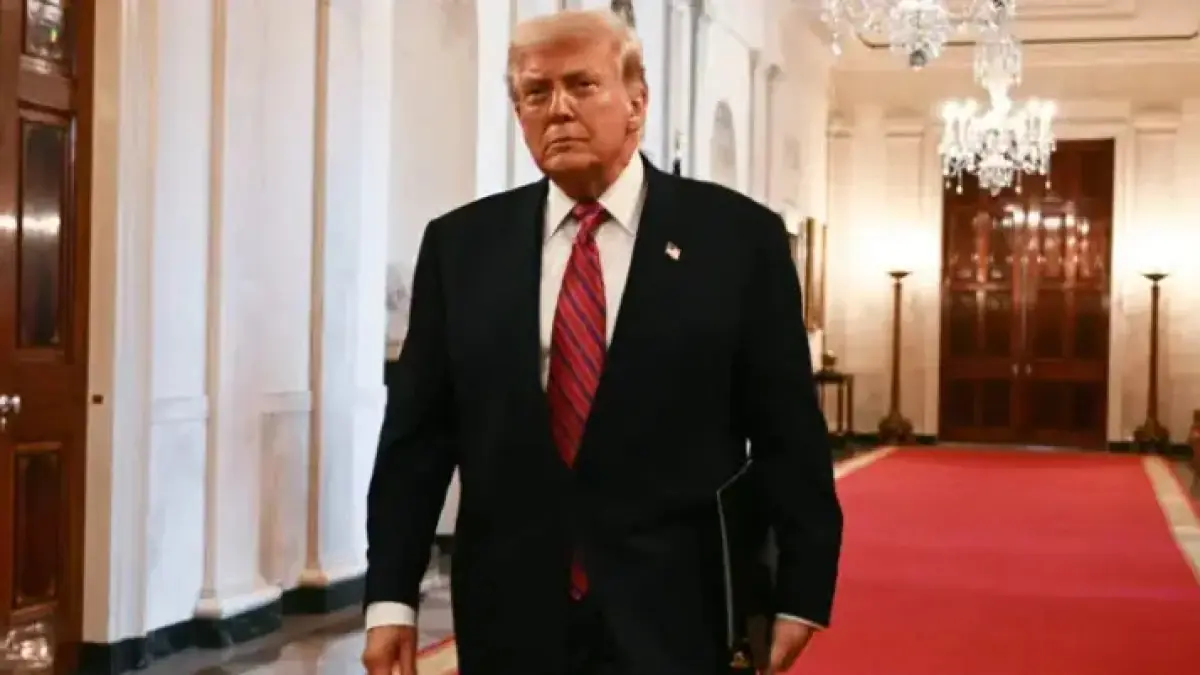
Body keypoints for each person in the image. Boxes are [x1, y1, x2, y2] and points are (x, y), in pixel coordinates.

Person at [361, 9, 842, 675]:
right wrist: (391, 597)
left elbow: (788, 431)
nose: (557, 109)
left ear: (637, 102)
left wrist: (802, 589)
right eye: (536, 92)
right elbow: (417, 440)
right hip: (511, 617)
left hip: (678, 612)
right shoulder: (461, 247)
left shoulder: (736, 240)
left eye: (582, 85)